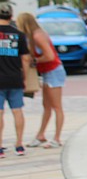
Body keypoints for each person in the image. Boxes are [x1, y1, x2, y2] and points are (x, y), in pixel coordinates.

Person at [16, 12, 66, 149]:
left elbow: (49, 56)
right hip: (47, 72)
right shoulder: (34, 36)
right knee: (47, 106)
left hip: (53, 71)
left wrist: (35, 60)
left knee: (56, 106)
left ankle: (57, 138)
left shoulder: (38, 36)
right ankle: (41, 135)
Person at [0, 3, 32, 158]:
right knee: (17, 111)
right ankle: (19, 145)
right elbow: (25, 59)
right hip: (15, 77)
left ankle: (0, 147)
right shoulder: (19, 34)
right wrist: (24, 77)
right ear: (11, 16)